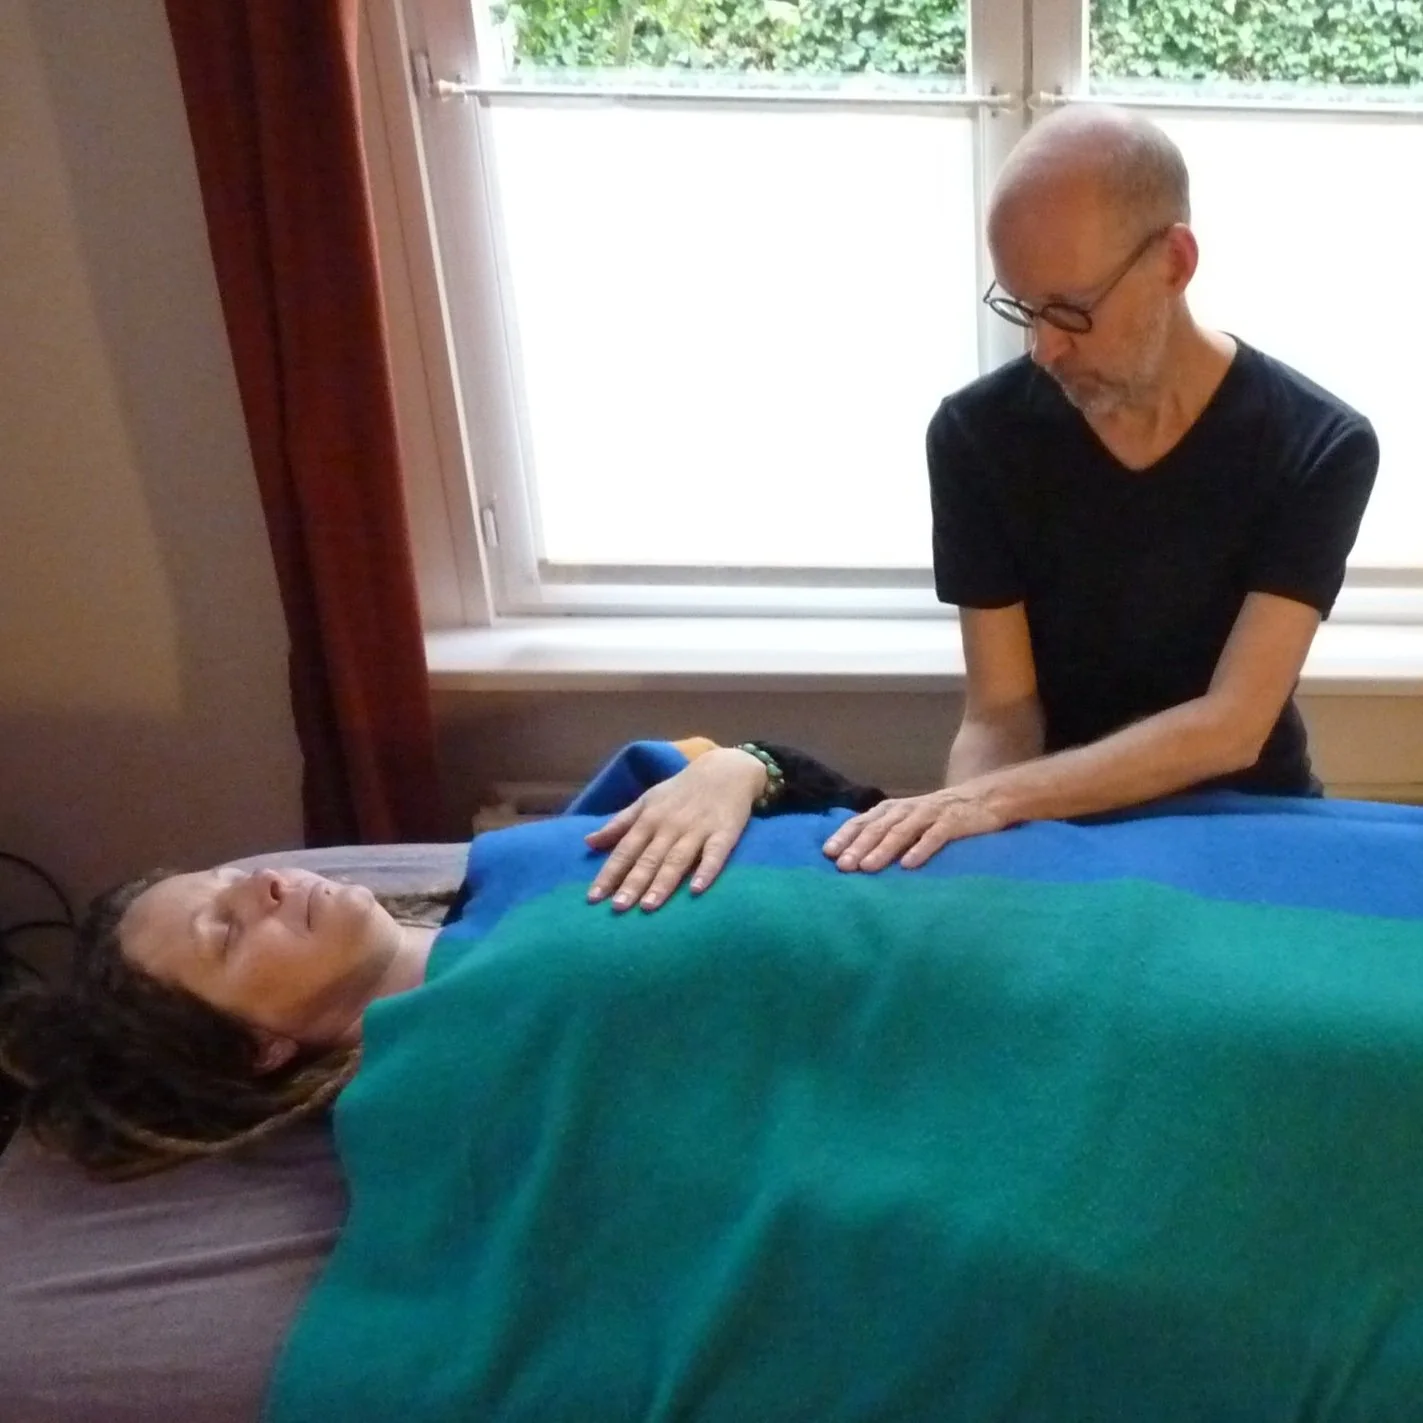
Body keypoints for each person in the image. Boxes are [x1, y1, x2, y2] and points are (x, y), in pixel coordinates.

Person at [816, 105, 1379, 878]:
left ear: (1173, 262)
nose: (1042, 348)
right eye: (1023, 307)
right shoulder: (975, 437)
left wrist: (991, 800)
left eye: (1070, 312)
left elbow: (1231, 726)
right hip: (1055, 827)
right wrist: (971, 843)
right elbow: (1002, 711)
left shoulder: (1317, 444)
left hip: (1250, 819)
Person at [0, 741, 868, 1179]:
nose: (264, 882)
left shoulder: (517, 861)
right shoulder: (436, 1092)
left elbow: (840, 798)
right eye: (226, 932)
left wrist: (738, 768)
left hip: (932, 851)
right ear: (257, 1046)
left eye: (231, 876)